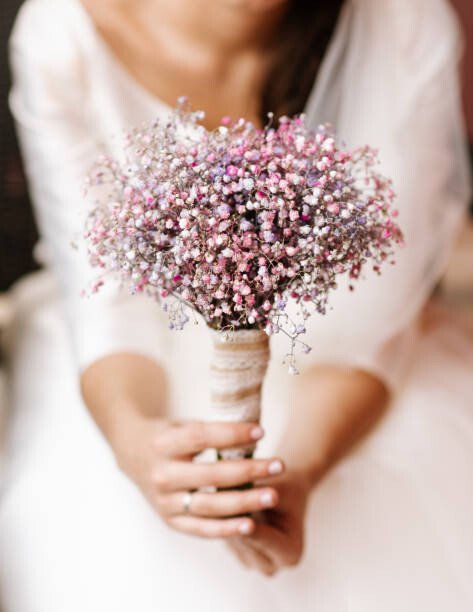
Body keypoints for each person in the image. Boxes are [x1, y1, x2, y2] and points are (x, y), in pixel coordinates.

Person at [1, 0, 472, 610]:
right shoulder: (61, 32)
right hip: (134, 365)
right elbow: (108, 309)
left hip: (351, 373)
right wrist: (135, 443)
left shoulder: (405, 21)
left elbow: (377, 320)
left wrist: (297, 473)